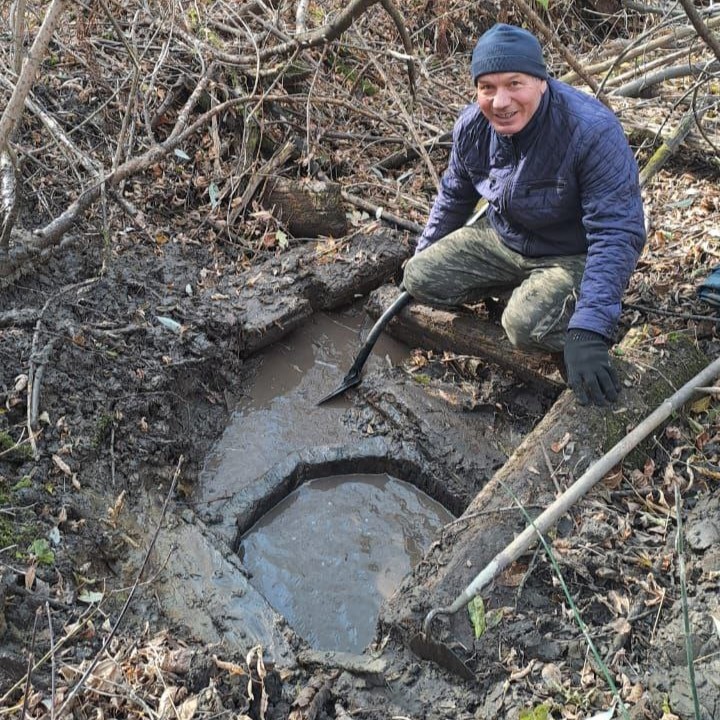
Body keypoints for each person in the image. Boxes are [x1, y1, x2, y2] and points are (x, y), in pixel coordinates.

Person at [402, 23, 646, 406]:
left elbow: (618, 232)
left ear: (542, 81)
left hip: (568, 255)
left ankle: (559, 309)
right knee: (417, 276)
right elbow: (453, 196)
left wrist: (590, 329)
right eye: (488, 88)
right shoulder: (472, 128)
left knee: (522, 326)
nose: (500, 102)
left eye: (514, 84)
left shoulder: (590, 131)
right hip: (501, 238)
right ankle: (520, 291)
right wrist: (427, 249)